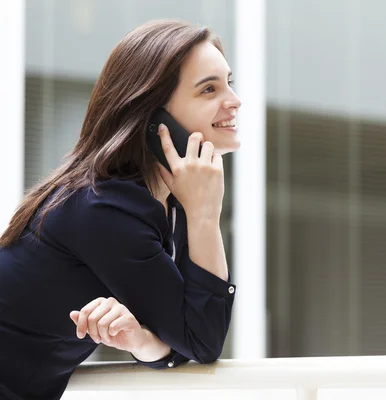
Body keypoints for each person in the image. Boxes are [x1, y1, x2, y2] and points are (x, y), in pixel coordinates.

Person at [0, 19, 242, 399]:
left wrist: (145, 343)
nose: (234, 100)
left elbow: (191, 335)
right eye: (209, 89)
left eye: (230, 82)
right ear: (153, 118)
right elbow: (201, 337)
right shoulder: (104, 208)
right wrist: (206, 217)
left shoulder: (167, 202)